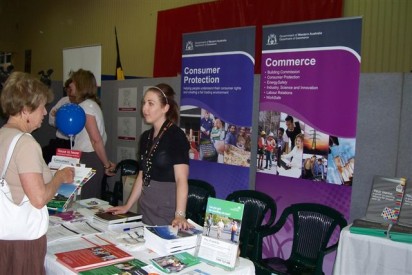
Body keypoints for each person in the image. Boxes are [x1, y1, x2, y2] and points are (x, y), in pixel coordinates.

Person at [0, 72, 74, 274]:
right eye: (41, 106)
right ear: (25, 110)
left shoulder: (3, 135)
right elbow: (39, 198)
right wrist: (59, 177)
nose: (45, 112)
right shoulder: (25, 143)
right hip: (22, 243)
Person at [107, 84, 191, 229]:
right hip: (146, 206)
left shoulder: (176, 136)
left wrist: (180, 215)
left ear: (165, 108)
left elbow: (181, 179)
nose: (145, 108)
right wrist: (127, 205)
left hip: (166, 208)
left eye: (151, 104)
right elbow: (142, 174)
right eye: (144, 103)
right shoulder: (146, 137)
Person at [70, 69, 116, 199]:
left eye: (73, 82)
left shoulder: (86, 107)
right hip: (90, 158)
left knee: (86, 201)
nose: (70, 85)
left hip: (88, 159)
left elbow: (96, 140)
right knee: (87, 200)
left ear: (80, 84)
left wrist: (106, 164)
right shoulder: (89, 105)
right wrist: (104, 162)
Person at [43, 78, 76, 163]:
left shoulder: (81, 103)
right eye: (67, 89)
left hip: (73, 142)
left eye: (70, 88)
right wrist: (61, 123)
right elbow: (51, 118)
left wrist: (61, 117)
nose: (68, 91)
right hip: (60, 141)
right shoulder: (64, 100)